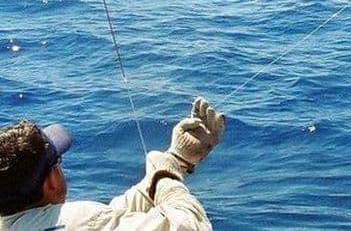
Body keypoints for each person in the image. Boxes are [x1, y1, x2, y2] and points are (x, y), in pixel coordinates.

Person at [0, 97, 224, 230]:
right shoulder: (80, 221)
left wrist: (177, 158)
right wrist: (167, 176)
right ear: (50, 182)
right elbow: (189, 226)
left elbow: (112, 217)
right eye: (57, 161)